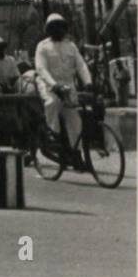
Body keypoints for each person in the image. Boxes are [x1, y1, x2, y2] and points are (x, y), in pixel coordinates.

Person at [34, 13, 92, 164]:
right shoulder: (42, 46)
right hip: (49, 85)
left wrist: (88, 82)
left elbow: (81, 65)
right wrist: (54, 85)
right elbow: (41, 69)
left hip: (68, 86)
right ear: (49, 29)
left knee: (74, 119)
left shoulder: (71, 46)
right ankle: (53, 135)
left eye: (61, 27)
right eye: (54, 27)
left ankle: (76, 153)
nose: (58, 30)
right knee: (52, 103)